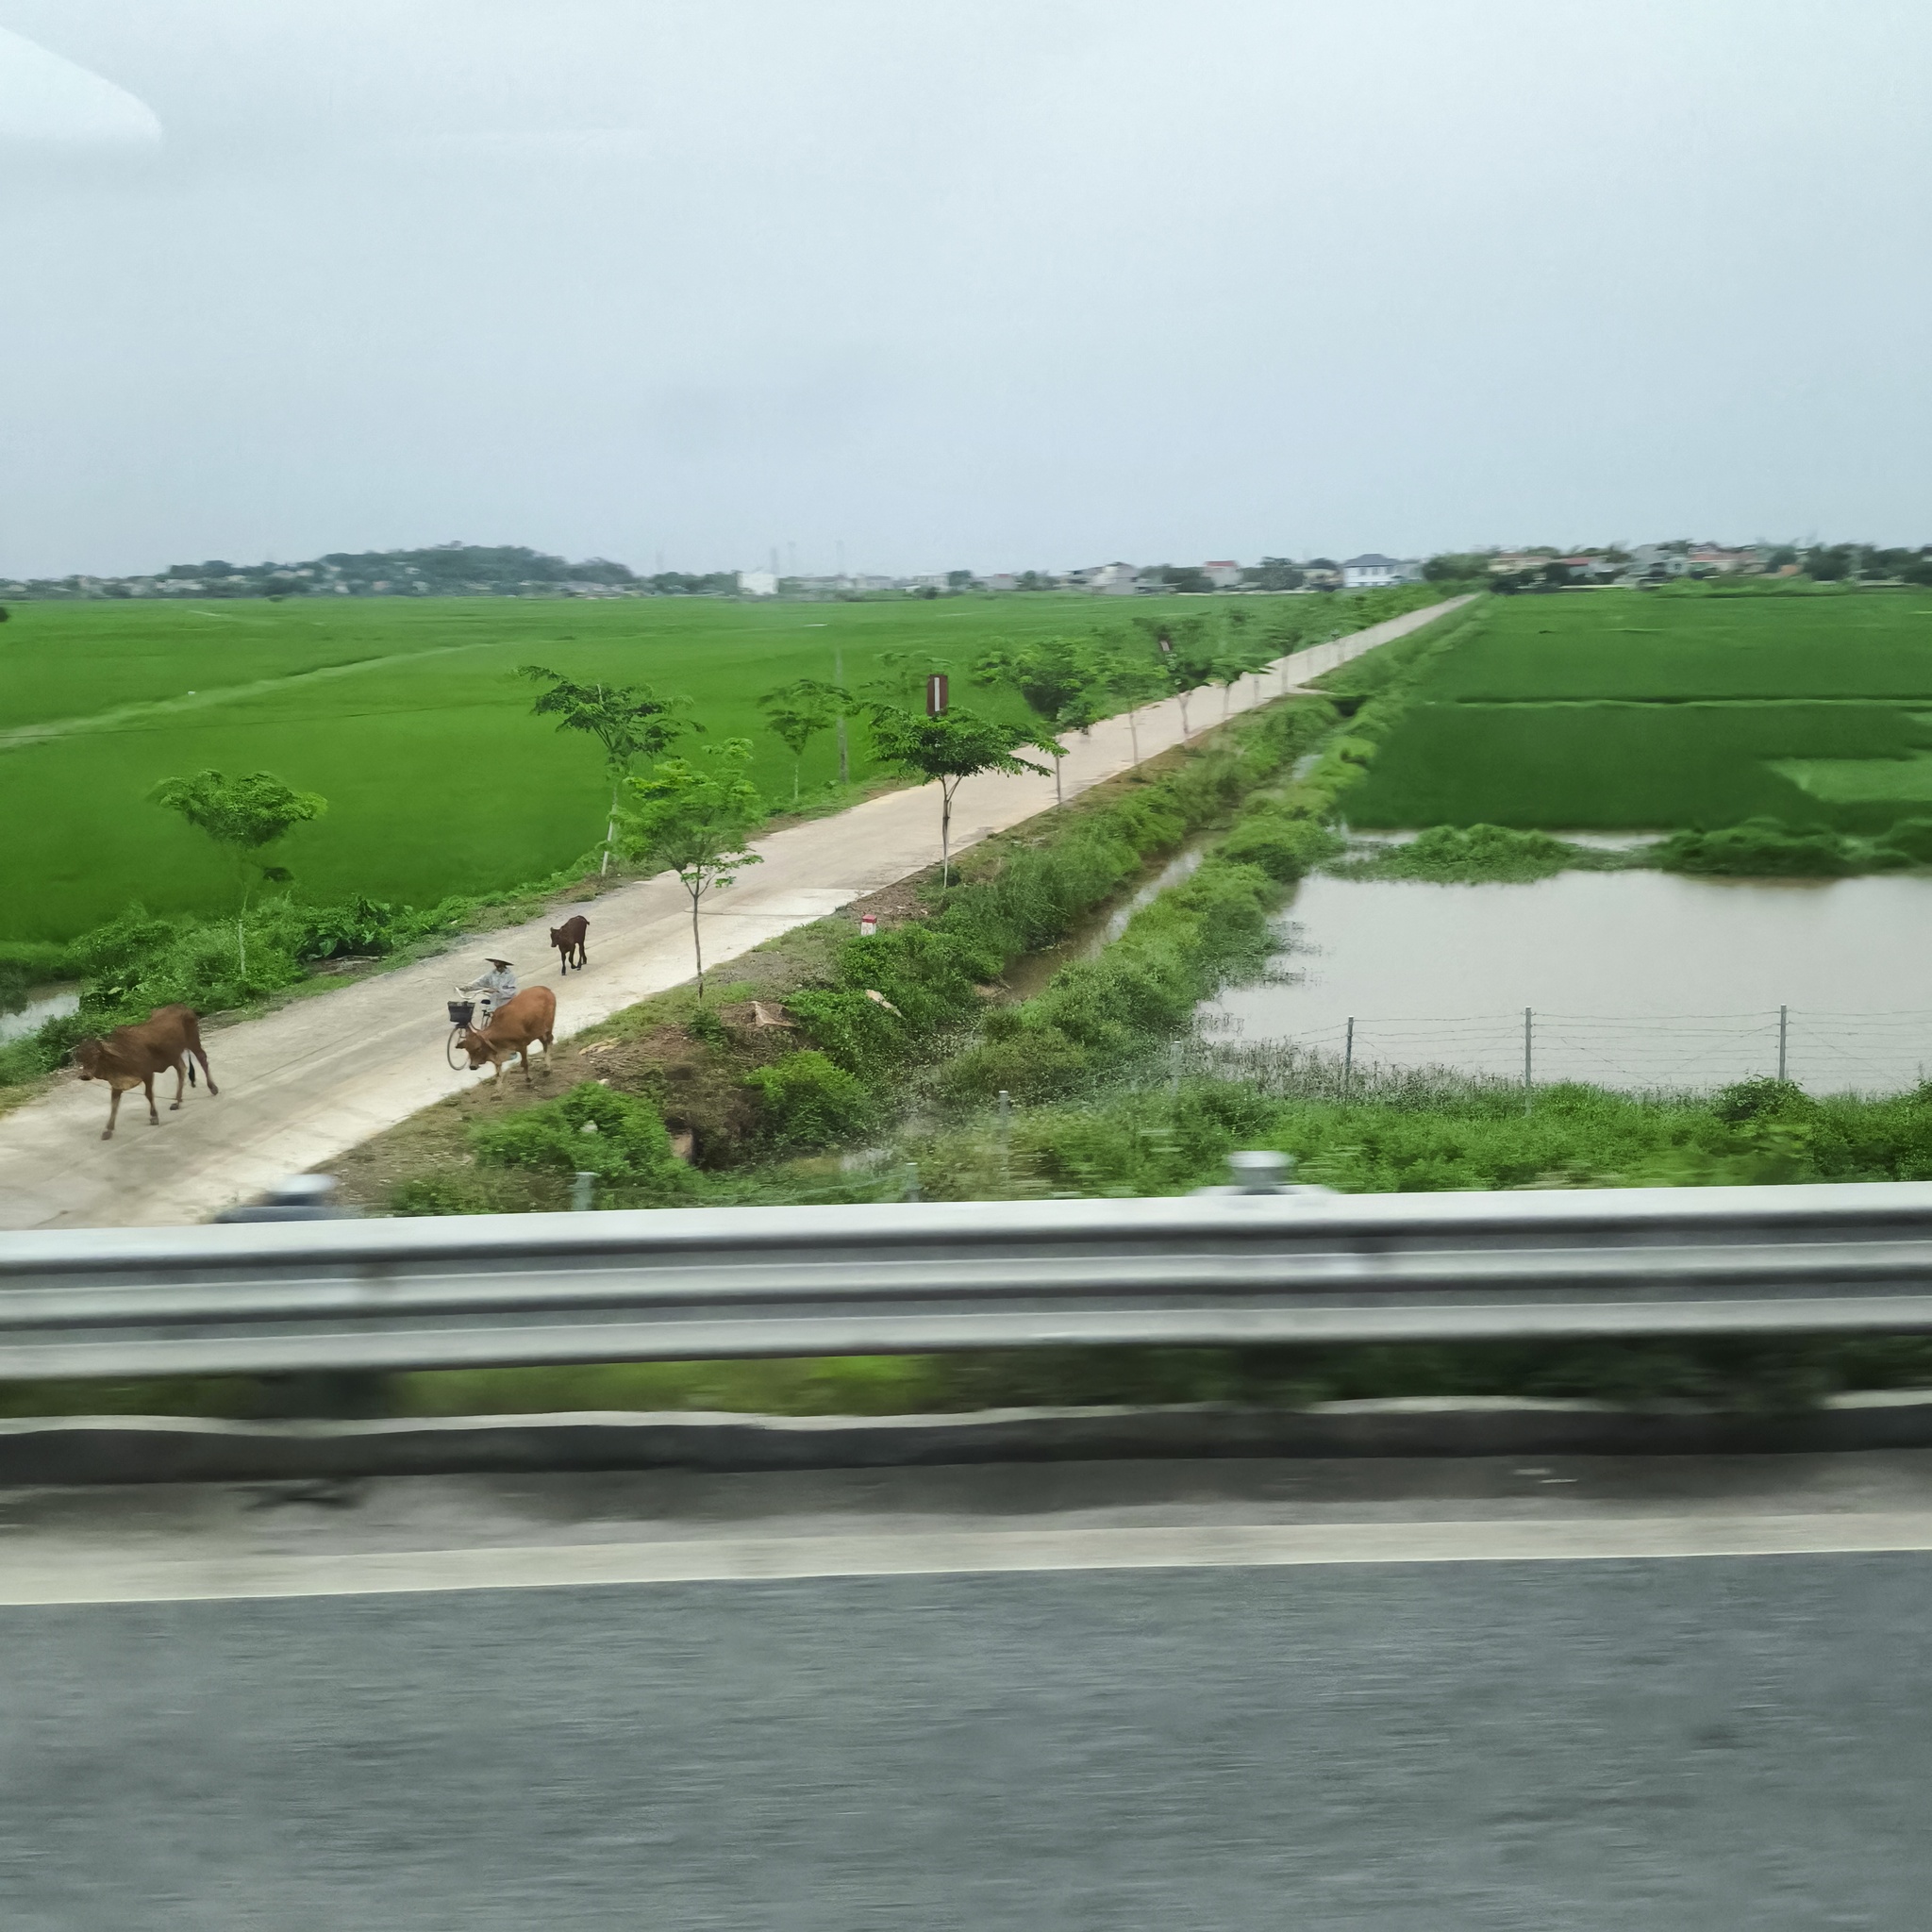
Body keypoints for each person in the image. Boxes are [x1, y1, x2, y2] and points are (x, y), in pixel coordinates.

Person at [458, 957, 518, 1027]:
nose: (496, 962)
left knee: (505, 1025)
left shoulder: (510, 976)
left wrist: (497, 991)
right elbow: (479, 982)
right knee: (492, 1023)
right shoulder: (491, 974)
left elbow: (512, 992)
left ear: (503, 963)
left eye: (498, 960)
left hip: (506, 1004)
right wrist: (466, 987)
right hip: (494, 1003)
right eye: (495, 961)